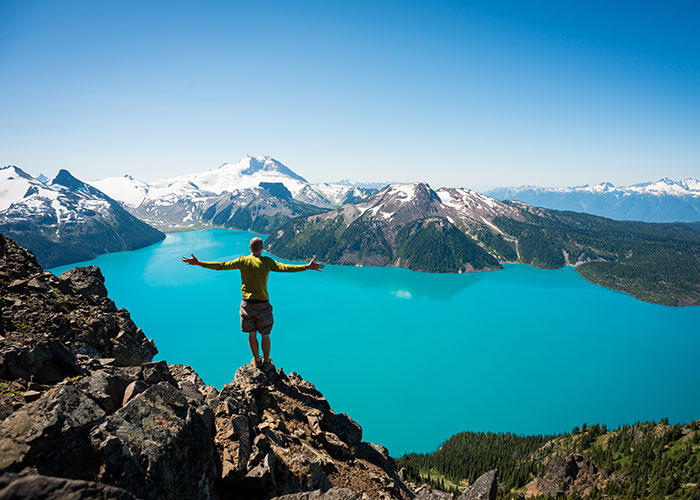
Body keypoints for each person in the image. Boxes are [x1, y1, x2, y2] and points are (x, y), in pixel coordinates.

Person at [181, 237, 323, 370]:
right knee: (265, 335)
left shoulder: (243, 261)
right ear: (262, 247)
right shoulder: (268, 262)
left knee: (252, 335)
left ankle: (257, 359)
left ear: (250, 247)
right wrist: (306, 266)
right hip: (263, 305)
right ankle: (267, 361)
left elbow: (221, 266)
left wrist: (199, 263)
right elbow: (286, 268)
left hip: (247, 305)